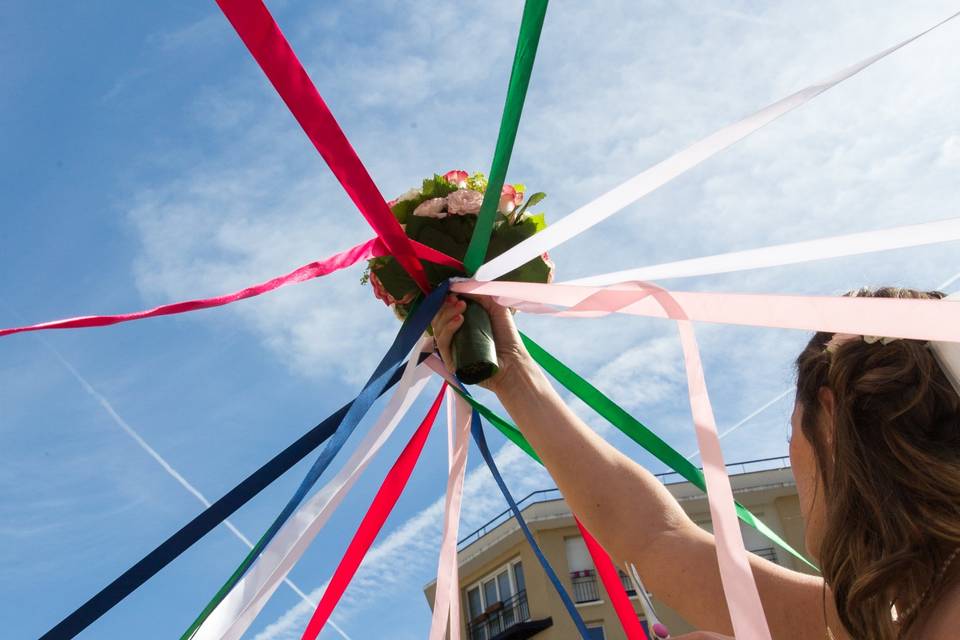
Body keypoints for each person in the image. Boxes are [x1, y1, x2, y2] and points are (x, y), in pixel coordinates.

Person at [431, 287, 960, 639]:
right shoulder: (875, 620)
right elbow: (654, 538)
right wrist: (513, 377)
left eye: (792, 429)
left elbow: (655, 539)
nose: (792, 458)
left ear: (829, 414)